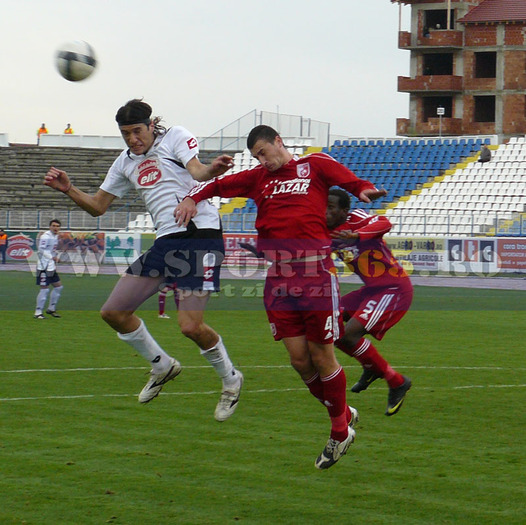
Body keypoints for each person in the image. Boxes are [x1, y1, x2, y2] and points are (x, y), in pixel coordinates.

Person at [175, 125, 387, 469]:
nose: (263, 160)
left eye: (264, 151)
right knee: (300, 361)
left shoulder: (314, 165)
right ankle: (344, 412)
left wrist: (363, 189)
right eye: (256, 156)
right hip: (278, 279)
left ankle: (338, 431)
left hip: (315, 272)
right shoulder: (259, 178)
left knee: (322, 355)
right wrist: (191, 197)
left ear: (278, 141)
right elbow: (217, 185)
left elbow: (351, 182)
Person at [43, 99, 243, 421]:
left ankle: (231, 379)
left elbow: (198, 171)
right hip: (166, 241)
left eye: (137, 131)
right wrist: (69, 189)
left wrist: (212, 170)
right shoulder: (124, 163)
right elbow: (98, 207)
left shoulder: (175, 136)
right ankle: (162, 365)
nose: (133, 139)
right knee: (114, 312)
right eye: (126, 133)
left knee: (190, 326)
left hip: (200, 235)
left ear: (151, 125)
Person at [326, 188, 413, 416]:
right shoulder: (325, 231)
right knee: (333, 328)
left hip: (393, 289)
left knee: (348, 334)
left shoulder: (356, 219)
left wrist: (357, 235)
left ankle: (397, 381)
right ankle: (371, 366)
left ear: (345, 211)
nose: (326, 212)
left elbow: (384, 223)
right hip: (371, 290)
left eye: (331, 208)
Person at [34, 219, 64, 319]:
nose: (56, 228)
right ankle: (38, 312)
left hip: (51, 267)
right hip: (43, 267)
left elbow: (51, 250)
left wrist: (55, 256)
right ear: (50, 227)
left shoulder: (55, 236)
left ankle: (51, 308)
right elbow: (41, 249)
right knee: (44, 290)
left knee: (58, 287)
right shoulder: (46, 236)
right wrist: (52, 257)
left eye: (57, 226)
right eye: (54, 226)